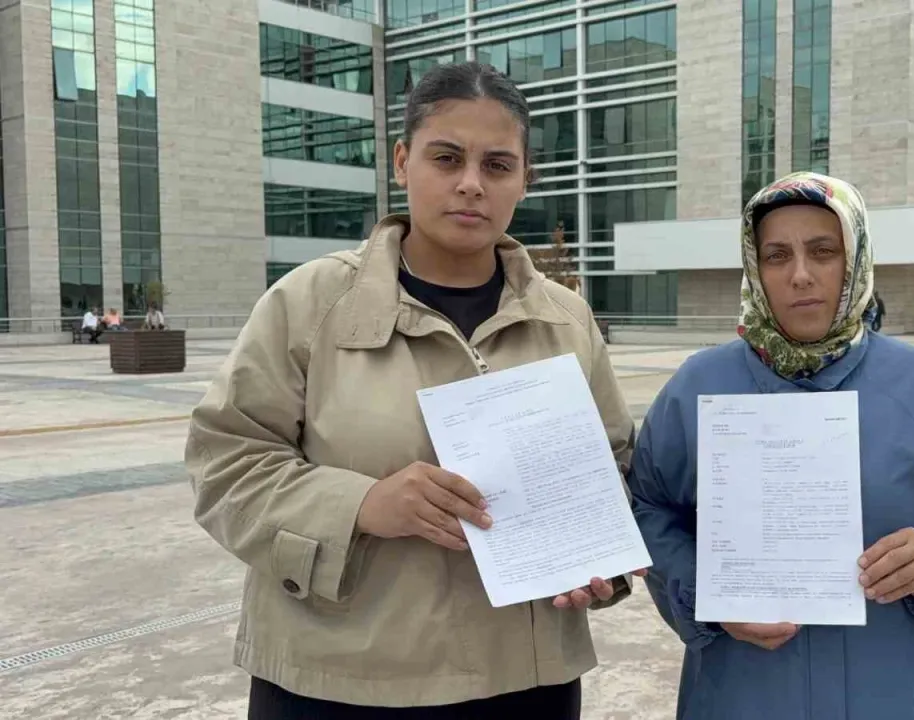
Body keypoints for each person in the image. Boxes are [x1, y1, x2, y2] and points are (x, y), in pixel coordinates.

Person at [186, 62, 642, 719]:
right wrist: (362, 504)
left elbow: (612, 468)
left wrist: (598, 562)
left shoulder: (566, 320)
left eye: (497, 165)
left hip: (524, 683)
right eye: (446, 157)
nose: (470, 183)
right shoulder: (309, 303)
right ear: (403, 162)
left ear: (524, 179)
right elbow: (225, 464)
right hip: (336, 685)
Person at [627, 172, 914, 720]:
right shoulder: (698, 386)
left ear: (855, 258)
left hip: (902, 688)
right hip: (746, 691)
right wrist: (706, 593)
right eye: (776, 255)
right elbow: (649, 507)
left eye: (823, 251)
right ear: (754, 268)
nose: (800, 275)